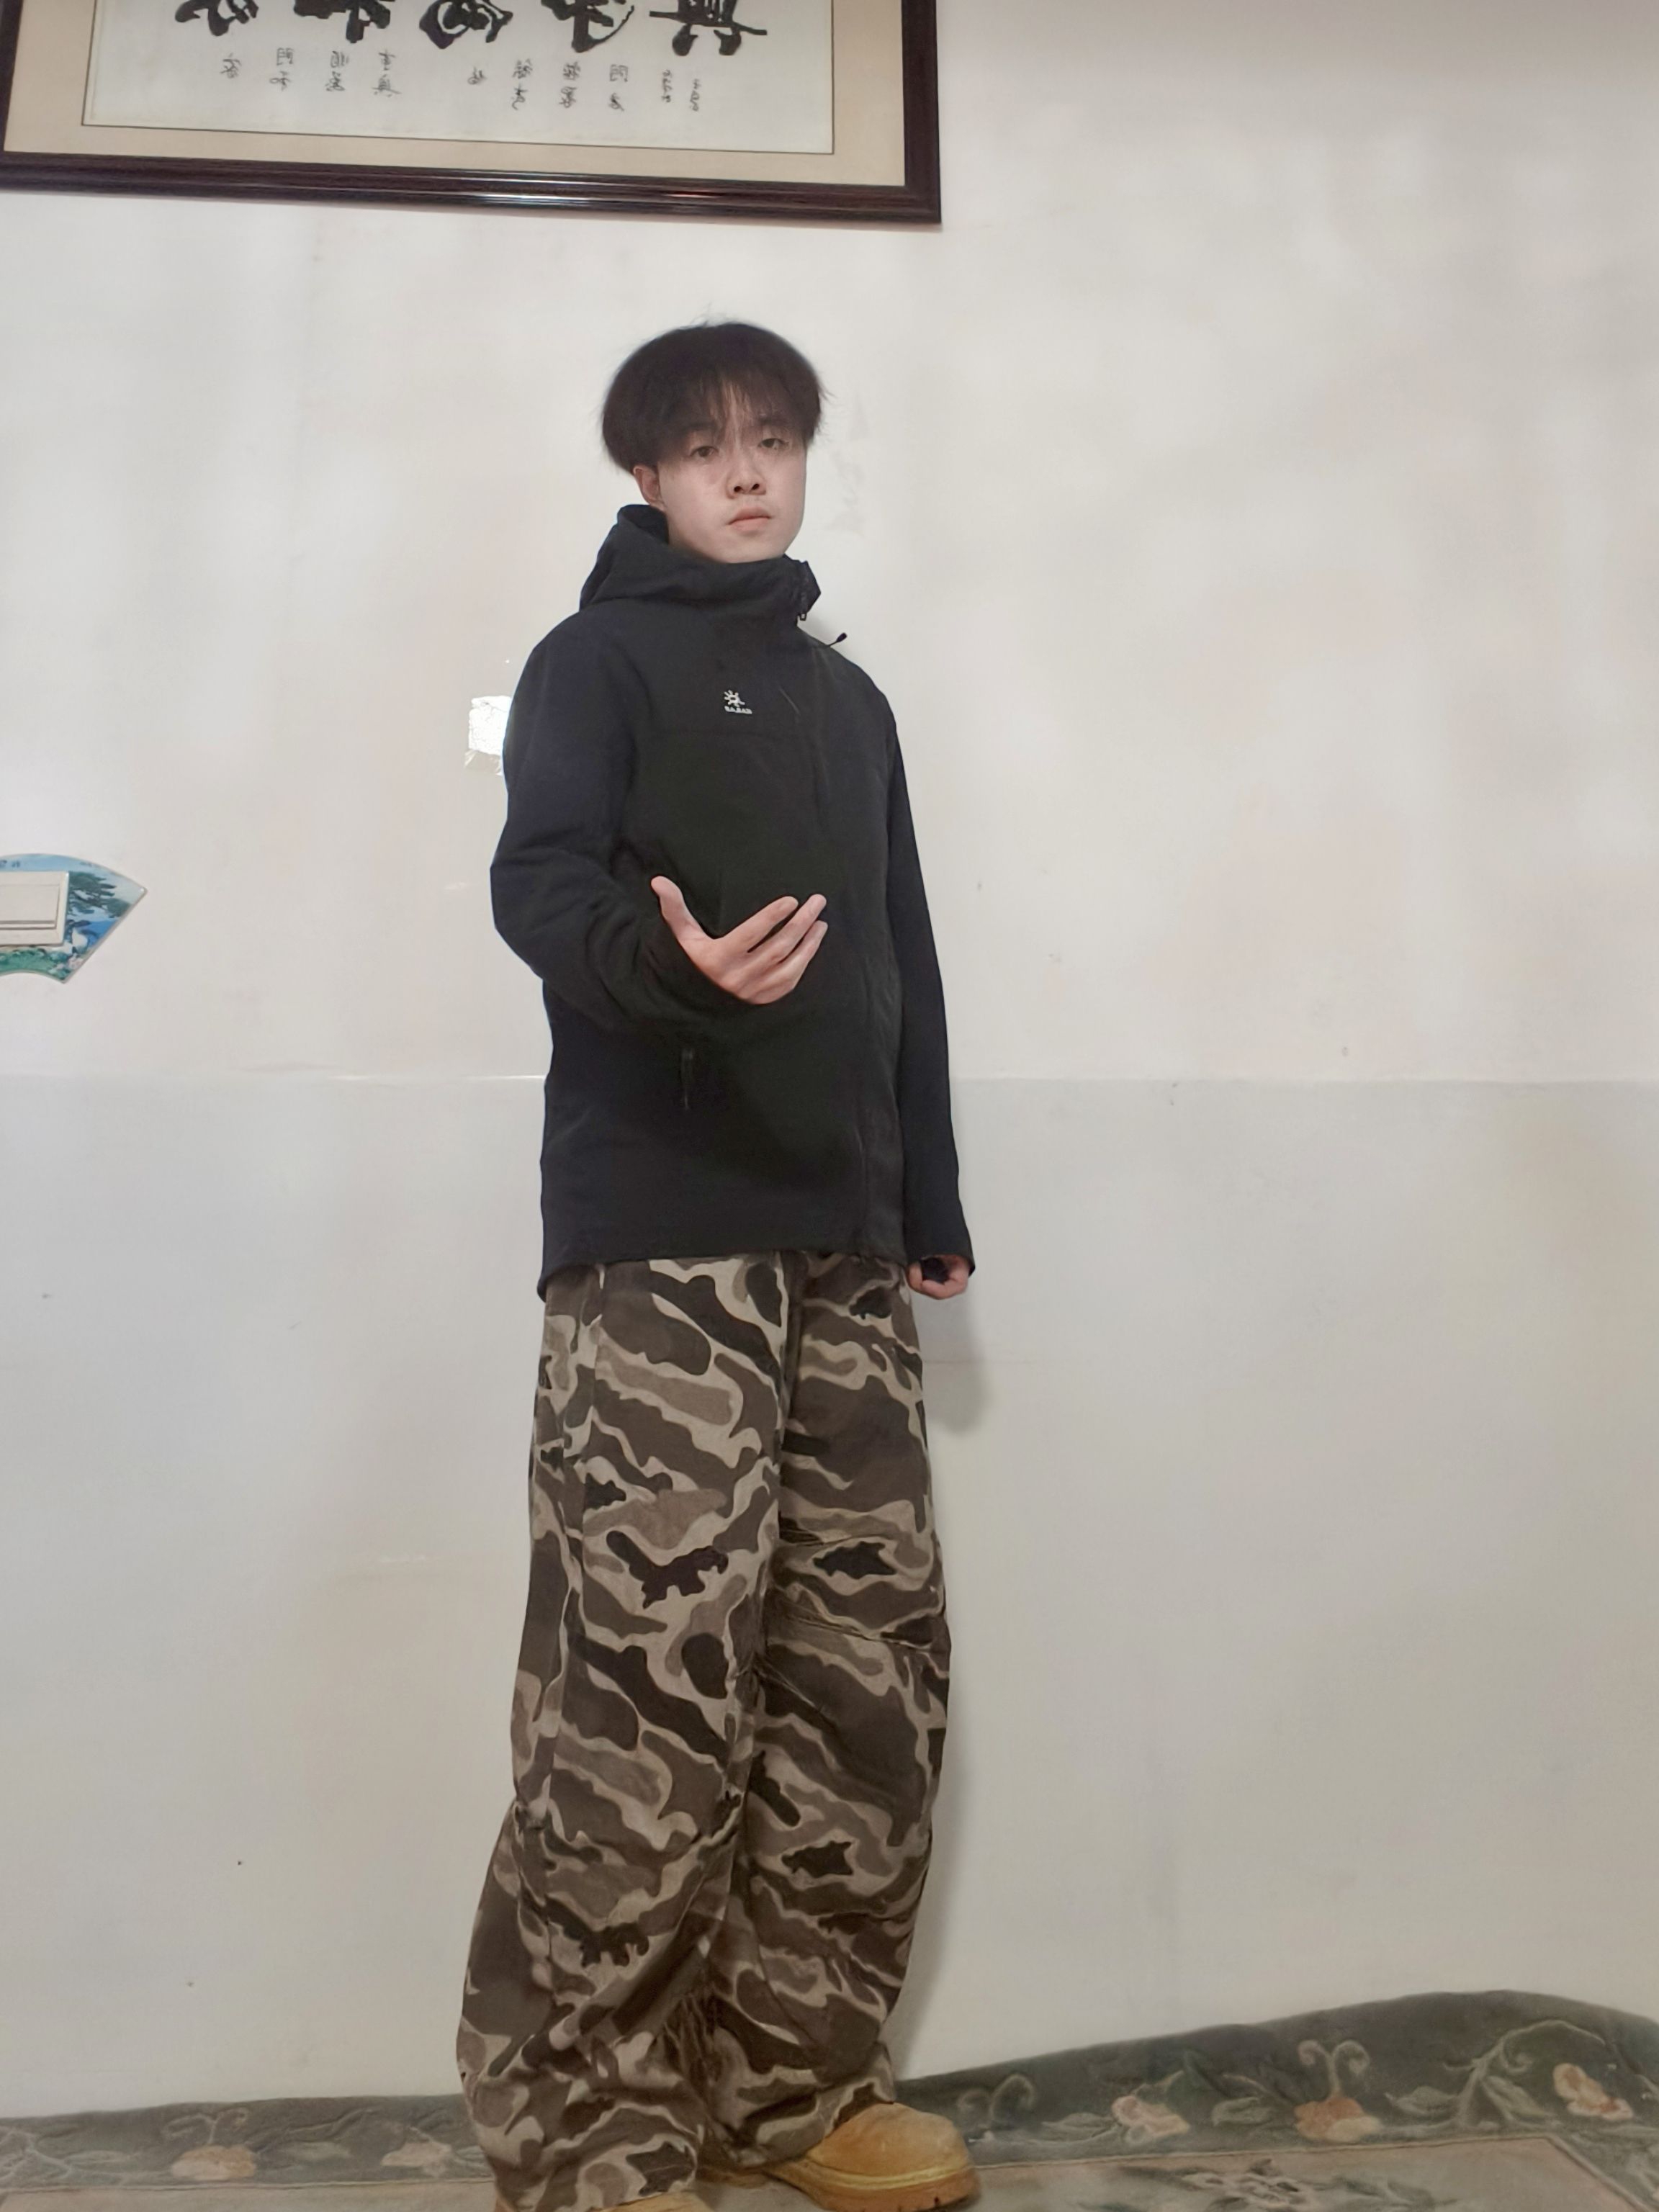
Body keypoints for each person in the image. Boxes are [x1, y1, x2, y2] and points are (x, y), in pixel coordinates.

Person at [457, 320, 976, 2212]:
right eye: (703, 446)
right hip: (661, 1239)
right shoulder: (590, 661)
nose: (746, 471)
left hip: (844, 1243)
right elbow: (541, 883)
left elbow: (899, 951)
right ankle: (587, 2126)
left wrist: (928, 1195)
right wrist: (669, 971)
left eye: (772, 438)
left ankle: (791, 2088)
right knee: (649, 1684)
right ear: (649, 475)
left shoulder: (850, 700)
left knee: (864, 1673)